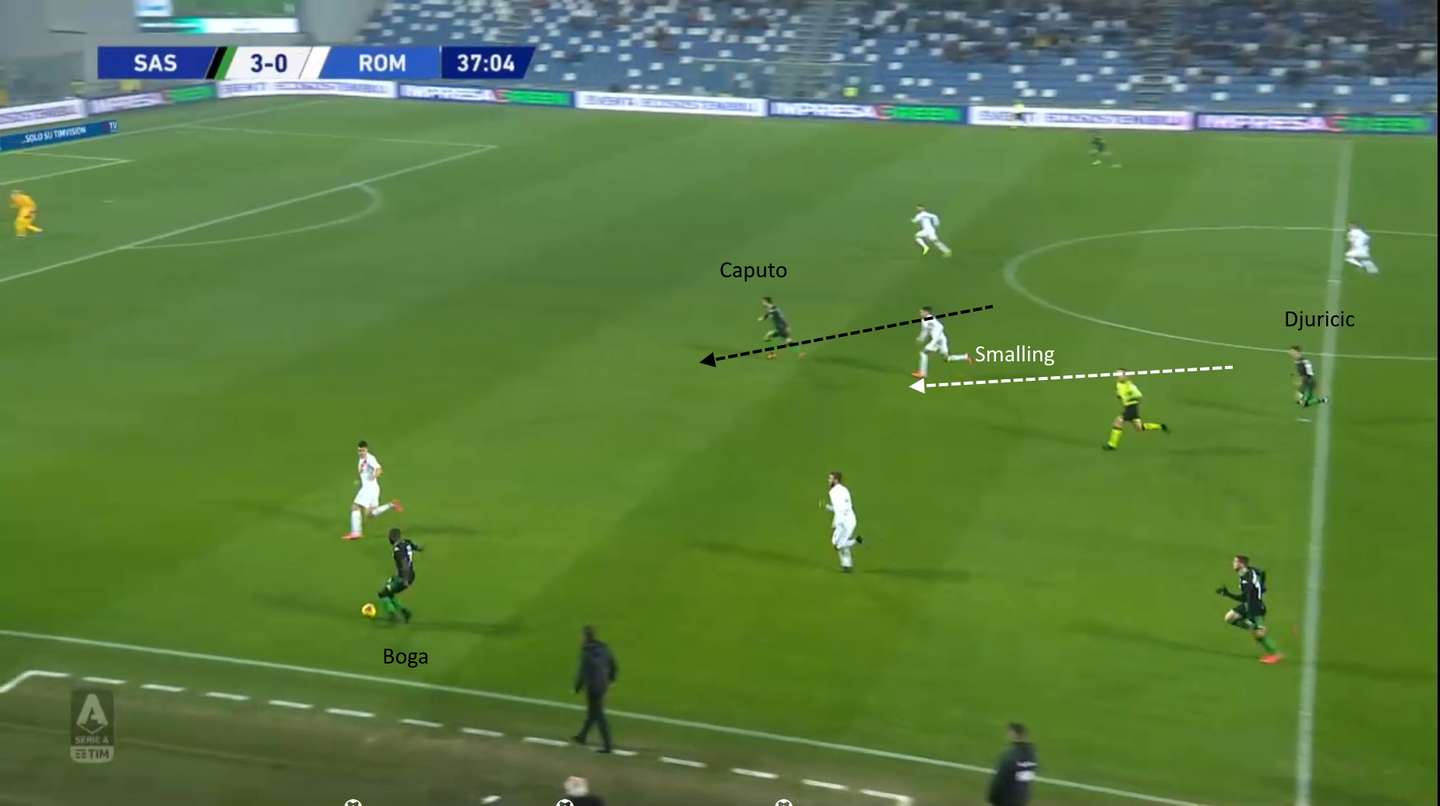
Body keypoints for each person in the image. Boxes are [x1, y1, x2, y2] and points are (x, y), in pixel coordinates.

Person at [1217, 554, 1283, 664]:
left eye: (1235, 562)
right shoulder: (1249, 571)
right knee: (1230, 617)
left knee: (1259, 634)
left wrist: (1228, 594)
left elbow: (1244, 597)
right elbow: (1262, 572)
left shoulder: (1247, 579)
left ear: (1241, 564)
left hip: (1255, 607)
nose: (1233, 564)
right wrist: (1262, 587)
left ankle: (1276, 654)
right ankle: (1253, 627)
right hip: (1249, 604)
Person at [343, 440, 403, 540]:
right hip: (373, 488)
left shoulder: (370, 458)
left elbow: (379, 469)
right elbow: (363, 472)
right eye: (359, 451)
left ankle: (356, 533)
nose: (361, 452)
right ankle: (392, 504)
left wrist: (375, 475)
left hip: (369, 488)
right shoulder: (361, 459)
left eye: (363, 450)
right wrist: (359, 480)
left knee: (355, 507)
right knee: (371, 513)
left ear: (366, 450)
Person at [571, 625, 618, 753]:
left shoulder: (586, 653)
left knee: (598, 714)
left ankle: (608, 745)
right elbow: (613, 664)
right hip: (603, 685)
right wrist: (611, 679)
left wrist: (577, 688)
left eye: (581, 636)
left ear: (585, 637)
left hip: (593, 687)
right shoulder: (604, 648)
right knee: (593, 712)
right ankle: (582, 736)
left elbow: (583, 673)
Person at [1103, 370, 1168, 451]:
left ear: (1126, 376)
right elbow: (1119, 394)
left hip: (1132, 407)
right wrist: (1119, 395)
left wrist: (1130, 396)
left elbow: (1139, 395)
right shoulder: (1118, 384)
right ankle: (1160, 426)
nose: (1118, 376)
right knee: (1139, 428)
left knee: (1118, 422)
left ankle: (1112, 445)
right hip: (1127, 407)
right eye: (1117, 374)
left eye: (1120, 374)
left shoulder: (1130, 386)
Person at [912, 306, 972, 379]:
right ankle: (965, 357)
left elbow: (940, 327)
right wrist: (921, 338)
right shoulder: (924, 320)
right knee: (947, 359)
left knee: (923, 353)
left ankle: (923, 373)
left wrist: (933, 342)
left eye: (922, 312)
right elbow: (925, 331)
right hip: (938, 341)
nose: (920, 313)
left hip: (939, 341)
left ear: (926, 312)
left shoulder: (931, 318)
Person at [377, 527, 422, 623]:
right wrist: (419, 548)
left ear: (392, 538)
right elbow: (416, 547)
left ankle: (392, 614)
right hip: (409, 575)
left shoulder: (397, 550)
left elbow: (404, 563)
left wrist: (405, 580)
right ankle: (404, 612)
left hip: (404, 577)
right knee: (389, 592)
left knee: (383, 594)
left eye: (389, 537)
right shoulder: (406, 542)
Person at [987, 722, 1038, 805]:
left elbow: (1000, 779)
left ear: (1013, 734)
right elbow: (1027, 777)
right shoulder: (1032, 755)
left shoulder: (1011, 755)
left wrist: (992, 798)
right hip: (1021, 798)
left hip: (1006, 800)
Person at [824, 471, 862, 572]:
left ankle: (856, 541)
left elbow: (839, 509)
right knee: (841, 543)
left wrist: (835, 522)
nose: (828, 480)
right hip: (851, 519)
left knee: (837, 545)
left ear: (836, 480)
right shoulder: (845, 489)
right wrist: (829, 507)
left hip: (843, 520)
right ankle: (847, 564)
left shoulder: (832, 492)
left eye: (830, 478)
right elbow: (846, 505)